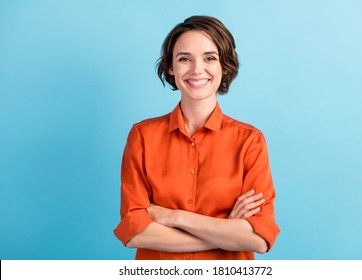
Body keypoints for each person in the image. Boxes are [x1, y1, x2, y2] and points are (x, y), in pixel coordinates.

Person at [113, 15, 280, 260]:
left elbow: (259, 238)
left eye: (209, 58)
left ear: (225, 66)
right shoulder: (142, 136)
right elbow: (135, 232)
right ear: (171, 67)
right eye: (184, 59)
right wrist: (226, 230)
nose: (196, 69)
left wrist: (175, 217)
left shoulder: (249, 141)